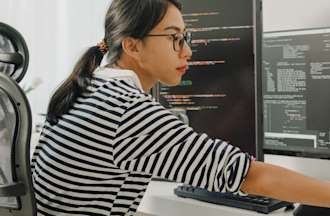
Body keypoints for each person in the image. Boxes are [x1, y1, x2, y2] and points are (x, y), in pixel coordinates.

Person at [31, 0, 330, 215]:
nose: (187, 50)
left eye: (185, 37)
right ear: (133, 46)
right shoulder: (128, 110)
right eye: (174, 38)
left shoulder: (88, 88)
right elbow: (250, 177)